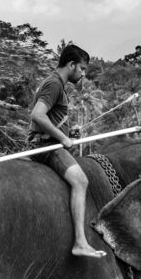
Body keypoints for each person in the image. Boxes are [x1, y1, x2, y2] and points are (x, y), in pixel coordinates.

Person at [28, 44, 106, 259]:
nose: (82, 74)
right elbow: (37, 115)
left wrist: (67, 132)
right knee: (81, 181)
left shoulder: (55, 84)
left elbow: (49, 118)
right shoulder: (54, 84)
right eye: (81, 68)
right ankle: (80, 242)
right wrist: (62, 138)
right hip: (45, 147)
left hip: (48, 141)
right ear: (71, 65)